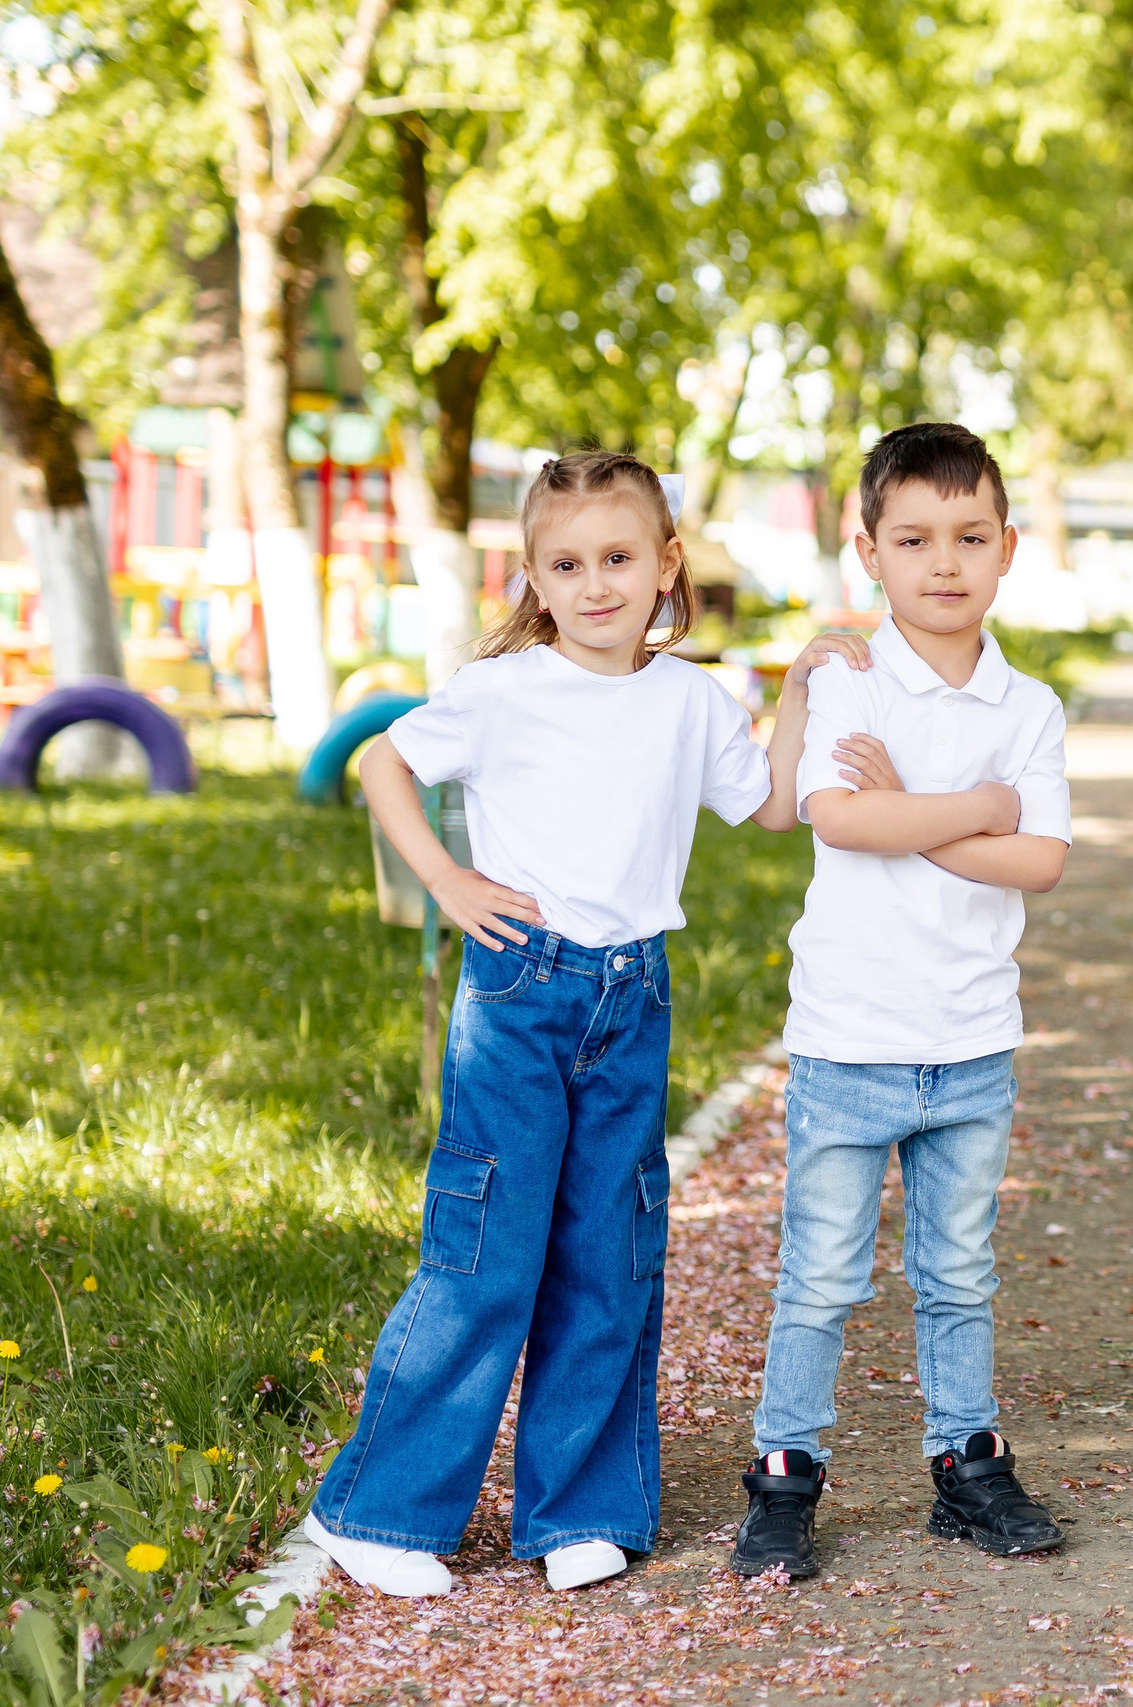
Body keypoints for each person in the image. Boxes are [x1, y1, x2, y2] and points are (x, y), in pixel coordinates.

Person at [302, 449, 840, 1598]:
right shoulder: (503, 690)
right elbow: (385, 764)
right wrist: (446, 880)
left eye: (618, 558)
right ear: (534, 579)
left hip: (632, 999)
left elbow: (769, 804)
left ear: (665, 566)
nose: (595, 584)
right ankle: (378, 1512)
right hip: (520, 992)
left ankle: (579, 1509)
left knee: (609, 1250)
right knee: (487, 1249)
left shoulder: (689, 700)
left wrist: (798, 688)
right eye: (566, 564)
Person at [731, 422, 1072, 1581]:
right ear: (868, 552)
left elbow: (1041, 861)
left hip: (971, 1042)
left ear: (1007, 548)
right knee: (822, 1275)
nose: (943, 562)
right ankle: (785, 1474)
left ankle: (966, 1466)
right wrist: (980, 806)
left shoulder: (1027, 706)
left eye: (969, 537)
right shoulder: (850, 675)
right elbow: (841, 819)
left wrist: (918, 808)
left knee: (959, 1272)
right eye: (914, 539)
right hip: (851, 1038)